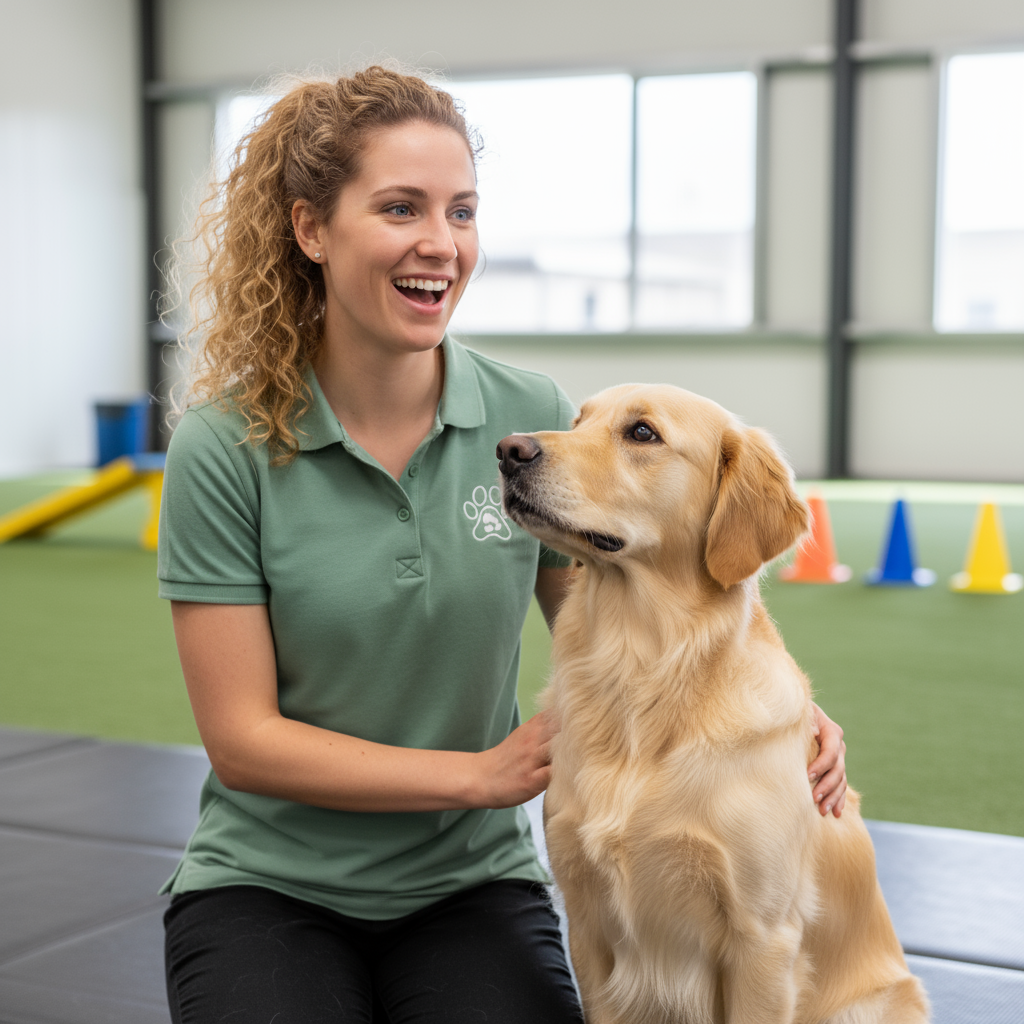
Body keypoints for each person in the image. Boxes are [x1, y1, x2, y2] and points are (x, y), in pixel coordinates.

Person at [158, 65, 848, 1023]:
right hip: (268, 885)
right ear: (311, 228)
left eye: (462, 211)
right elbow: (243, 742)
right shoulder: (223, 445)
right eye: (401, 208)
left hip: (469, 883)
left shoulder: (532, 423)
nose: (441, 244)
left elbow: (629, 611)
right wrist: (478, 777)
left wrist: (787, 713)